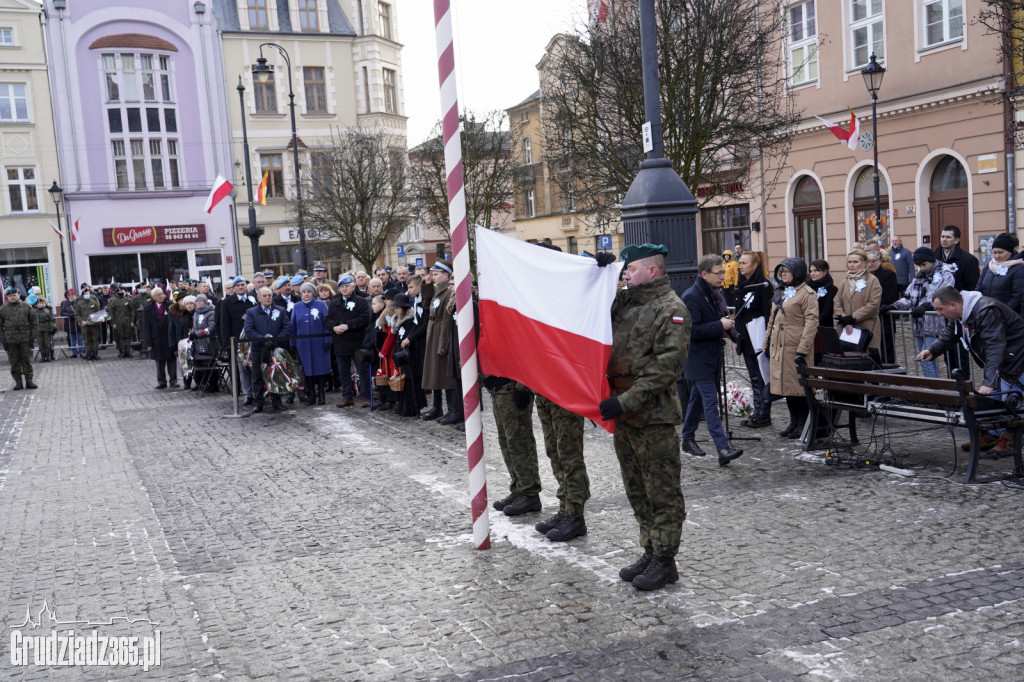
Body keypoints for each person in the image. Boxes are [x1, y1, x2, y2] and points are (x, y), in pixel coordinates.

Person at [599, 243, 689, 591]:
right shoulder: (627, 301)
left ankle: (666, 560)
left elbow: (666, 367)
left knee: (661, 489)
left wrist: (625, 401)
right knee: (636, 487)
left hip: (653, 415)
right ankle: (651, 548)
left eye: (631, 269)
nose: (626, 275)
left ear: (652, 270)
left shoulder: (672, 308)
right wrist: (600, 274)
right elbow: (593, 308)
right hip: (625, 413)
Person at [918, 286, 1024, 454]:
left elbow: (995, 346)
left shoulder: (986, 311)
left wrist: (989, 381)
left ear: (952, 305)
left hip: (1016, 360)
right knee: (993, 398)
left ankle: (1011, 439)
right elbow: (950, 334)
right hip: (1000, 362)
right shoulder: (964, 313)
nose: (938, 313)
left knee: (1011, 399)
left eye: (940, 309)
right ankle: (992, 435)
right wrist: (933, 350)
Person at [680, 254, 744, 463]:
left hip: (710, 357)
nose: (723, 276)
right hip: (699, 360)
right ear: (704, 274)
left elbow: (715, 321)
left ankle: (687, 438)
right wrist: (720, 326)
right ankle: (722, 449)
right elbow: (691, 330)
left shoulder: (713, 293)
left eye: (724, 271)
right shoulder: (692, 296)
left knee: (697, 401)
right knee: (710, 403)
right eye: (719, 273)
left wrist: (726, 328)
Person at [763, 258, 818, 439]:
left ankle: (803, 423)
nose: (784, 274)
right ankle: (793, 422)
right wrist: (766, 343)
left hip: (794, 344)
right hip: (779, 344)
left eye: (787, 271)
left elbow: (811, 322)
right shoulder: (780, 292)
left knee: (798, 386)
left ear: (798, 272)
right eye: (782, 271)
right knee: (786, 387)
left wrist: (803, 348)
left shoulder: (807, 293)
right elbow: (772, 319)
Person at [890, 247, 955, 378]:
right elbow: (908, 297)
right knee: (924, 358)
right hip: (919, 325)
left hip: (935, 324)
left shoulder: (945, 273)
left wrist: (927, 306)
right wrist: (894, 306)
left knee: (926, 359)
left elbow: (945, 295)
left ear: (931, 260)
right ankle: (933, 386)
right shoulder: (919, 277)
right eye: (919, 265)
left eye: (924, 264)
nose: (922, 268)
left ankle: (933, 389)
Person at [485, 376, 543, 517]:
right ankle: (519, 488)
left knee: (519, 441)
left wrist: (522, 386)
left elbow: (525, 356)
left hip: (511, 387)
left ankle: (529, 493)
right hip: (497, 387)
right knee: (505, 442)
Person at [733, 251, 773, 428]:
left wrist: (767, 339)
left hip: (759, 338)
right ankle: (757, 412)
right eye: (739, 263)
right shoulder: (741, 285)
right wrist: (736, 339)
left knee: (762, 375)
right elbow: (739, 314)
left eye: (743, 263)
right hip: (746, 337)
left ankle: (764, 414)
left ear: (754, 265)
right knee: (753, 377)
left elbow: (768, 313)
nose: (740, 266)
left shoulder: (764, 286)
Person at [242, 287, 294, 413]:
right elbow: (249, 330)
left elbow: (287, 327)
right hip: (259, 349)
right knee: (257, 376)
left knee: (276, 374)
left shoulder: (280, 310)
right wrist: (264, 340)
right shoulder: (251, 312)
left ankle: (277, 401)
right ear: (258, 298)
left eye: (269, 295)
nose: (267, 298)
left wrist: (275, 340)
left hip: (275, 349)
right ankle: (258, 402)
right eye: (264, 295)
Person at [421, 261, 460, 422]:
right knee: (435, 372)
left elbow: (446, 319)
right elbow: (426, 305)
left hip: (440, 333)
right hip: (433, 331)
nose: (433, 276)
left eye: (436, 274)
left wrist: (443, 343)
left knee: (445, 374)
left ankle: (452, 409)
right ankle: (437, 407)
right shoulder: (438, 290)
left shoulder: (448, 292)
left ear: (446, 275)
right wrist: (427, 285)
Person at [326, 274, 372, 408]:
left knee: (362, 371)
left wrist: (348, 325)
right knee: (343, 372)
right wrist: (334, 327)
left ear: (353, 287)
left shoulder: (361, 301)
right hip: (341, 342)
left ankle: (366, 396)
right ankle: (347, 396)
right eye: (341, 287)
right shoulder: (334, 302)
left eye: (347, 286)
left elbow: (364, 318)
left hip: (357, 342)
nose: (344, 289)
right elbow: (327, 320)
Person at [835, 249, 882, 358]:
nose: (851, 265)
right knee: (849, 358)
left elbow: (873, 304)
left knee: (867, 358)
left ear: (864, 263)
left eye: (855, 262)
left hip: (866, 327)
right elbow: (837, 302)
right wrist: (844, 319)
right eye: (850, 262)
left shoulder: (872, 280)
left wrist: (853, 317)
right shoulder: (845, 281)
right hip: (847, 328)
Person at [289, 282, 331, 405]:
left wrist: (327, 340)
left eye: (308, 292)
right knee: (308, 370)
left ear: (313, 293)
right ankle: (311, 395)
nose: (306, 294)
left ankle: (321, 394)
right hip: (303, 344)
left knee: (320, 370)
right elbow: (293, 327)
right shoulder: (297, 307)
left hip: (319, 343)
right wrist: (292, 343)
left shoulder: (321, 305)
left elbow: (326, 324)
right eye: (304, 292)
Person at [220, 276, 256, 404]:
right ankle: (248, 394)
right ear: (234, 288)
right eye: (238, 285)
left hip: (253, 339)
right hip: (238, 342)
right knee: (242, 368)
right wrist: (227, 343)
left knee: (255, 367)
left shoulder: (253, 300)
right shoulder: (227, 302)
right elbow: (224, 324)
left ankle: (257, 392)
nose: (241, 287)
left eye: (242, 285)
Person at [977, 232, 1024, 315]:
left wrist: (1002, 313)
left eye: (1001, 252)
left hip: (1008, 316)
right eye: (994, 252)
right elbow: (978, 289)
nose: (997, 256)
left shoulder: (1018, 268)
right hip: (986, 314)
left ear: (1010, 251)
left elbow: (1017, 297)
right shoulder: (988, 267)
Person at [0, 287, 38, 389]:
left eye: (14, 295)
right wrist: (3, 340)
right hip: (10, 340)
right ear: (7, 297)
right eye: (10, 296)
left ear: (18, 294)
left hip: (25, 339)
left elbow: (34, 322)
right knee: (14, 362)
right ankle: (18, 382)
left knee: (26, 360)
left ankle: (29, 381)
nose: (13, 297)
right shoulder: (3, 309)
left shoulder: (26, 307)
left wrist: (32, 336)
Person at [867, 251, 899, 364]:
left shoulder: (888, 274)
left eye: (873, 261)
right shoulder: (863, 276)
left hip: (884, 319)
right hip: (868, 321)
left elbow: (889, 297)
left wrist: (870, 308)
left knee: (886, 351)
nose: (870, 264)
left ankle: (888, 375)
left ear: (879, 261)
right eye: (868, 261)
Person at [141, 288, 177, 389]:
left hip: (169, 337)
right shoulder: (148, 308)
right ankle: (162, 381)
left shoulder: (169, 305)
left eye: (162, 294)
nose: (162, 296)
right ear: (153, 297)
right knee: (159, 361)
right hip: (156, 338)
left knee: (171, 360)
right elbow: (146, 326)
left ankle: (173, 380)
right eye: (159, 294)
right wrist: (148, 342)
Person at [808, 260, 838, 365]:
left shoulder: (832, 289)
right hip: (807, 328)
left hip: (823, 328)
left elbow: (827, 310)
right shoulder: (806, 287)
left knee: (821, 358)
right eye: (811, 271)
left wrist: (813, 322)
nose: (812, 273)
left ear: (825, 272)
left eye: (816, 270)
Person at [936, 225, 980, 292]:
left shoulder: (969, 260)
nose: (944, 240)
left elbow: (972, 287)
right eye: (942, 237)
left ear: (956, 240)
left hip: (959, 299)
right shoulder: (934, 257)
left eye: (948, 237)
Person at [190, 294, 219, 393]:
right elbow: (195, 327)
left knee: (209, 364)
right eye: (197, 301)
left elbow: (212, 328)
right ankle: (201, 383)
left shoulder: (211, 313)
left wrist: (198, 334)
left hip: (209, 342)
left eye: (201, 301)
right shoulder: (196, 313)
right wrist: (192, 334)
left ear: (205, 302)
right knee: (199, 363)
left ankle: (213, 384)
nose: (199, 303)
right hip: (198, 343)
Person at [74, 287, 101, 360]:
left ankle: (95, 354)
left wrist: (96, 320)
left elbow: (98, 313)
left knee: (95, 339)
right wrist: (81, 321)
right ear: (83, 295)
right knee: (86, 340)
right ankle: (88, 354)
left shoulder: (94, 302)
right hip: (85, 325)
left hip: (93, 325)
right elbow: (77, 314)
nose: (87, 295)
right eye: (85, 294)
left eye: (88, 293)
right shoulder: (80, 303)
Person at [108, 286, 136, 358]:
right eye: (119, 291)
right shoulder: (113, 301)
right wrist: (113, 322)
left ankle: (128, 351)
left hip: (127, 321)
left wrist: (132, 321)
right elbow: (111, 312)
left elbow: (132, 311)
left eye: (122, 291)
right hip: (118, 322)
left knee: (128, 336)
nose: (120, 293)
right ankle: (122, 351)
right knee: (120, 337)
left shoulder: (129, 300)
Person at [60, 289, 83, 358]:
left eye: (72, 295)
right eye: (70, 295)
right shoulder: (65, 303)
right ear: (68, 296)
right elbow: (62, 312)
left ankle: (82, 351)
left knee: (80, 338)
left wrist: (76, 315)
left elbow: (81, 310)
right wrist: (69, 315)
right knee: (72, 339)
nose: (71, 296)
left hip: (78, 323)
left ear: (75, 295)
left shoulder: (78, 302)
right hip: (69, 323)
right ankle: (74, 353)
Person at [33, 296, 55, 362]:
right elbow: (32, 321)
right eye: (38, 303)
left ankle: (47, 356)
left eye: (41, 303)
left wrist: (51, 329)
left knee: (47, 343)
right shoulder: (34, 312)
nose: (40, 305)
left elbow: (51, 320)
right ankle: (43, 356)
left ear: (43, 304)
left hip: (46, 328)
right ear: (37, 304)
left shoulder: (47, 311)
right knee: (40, 344)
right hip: (38, 329)